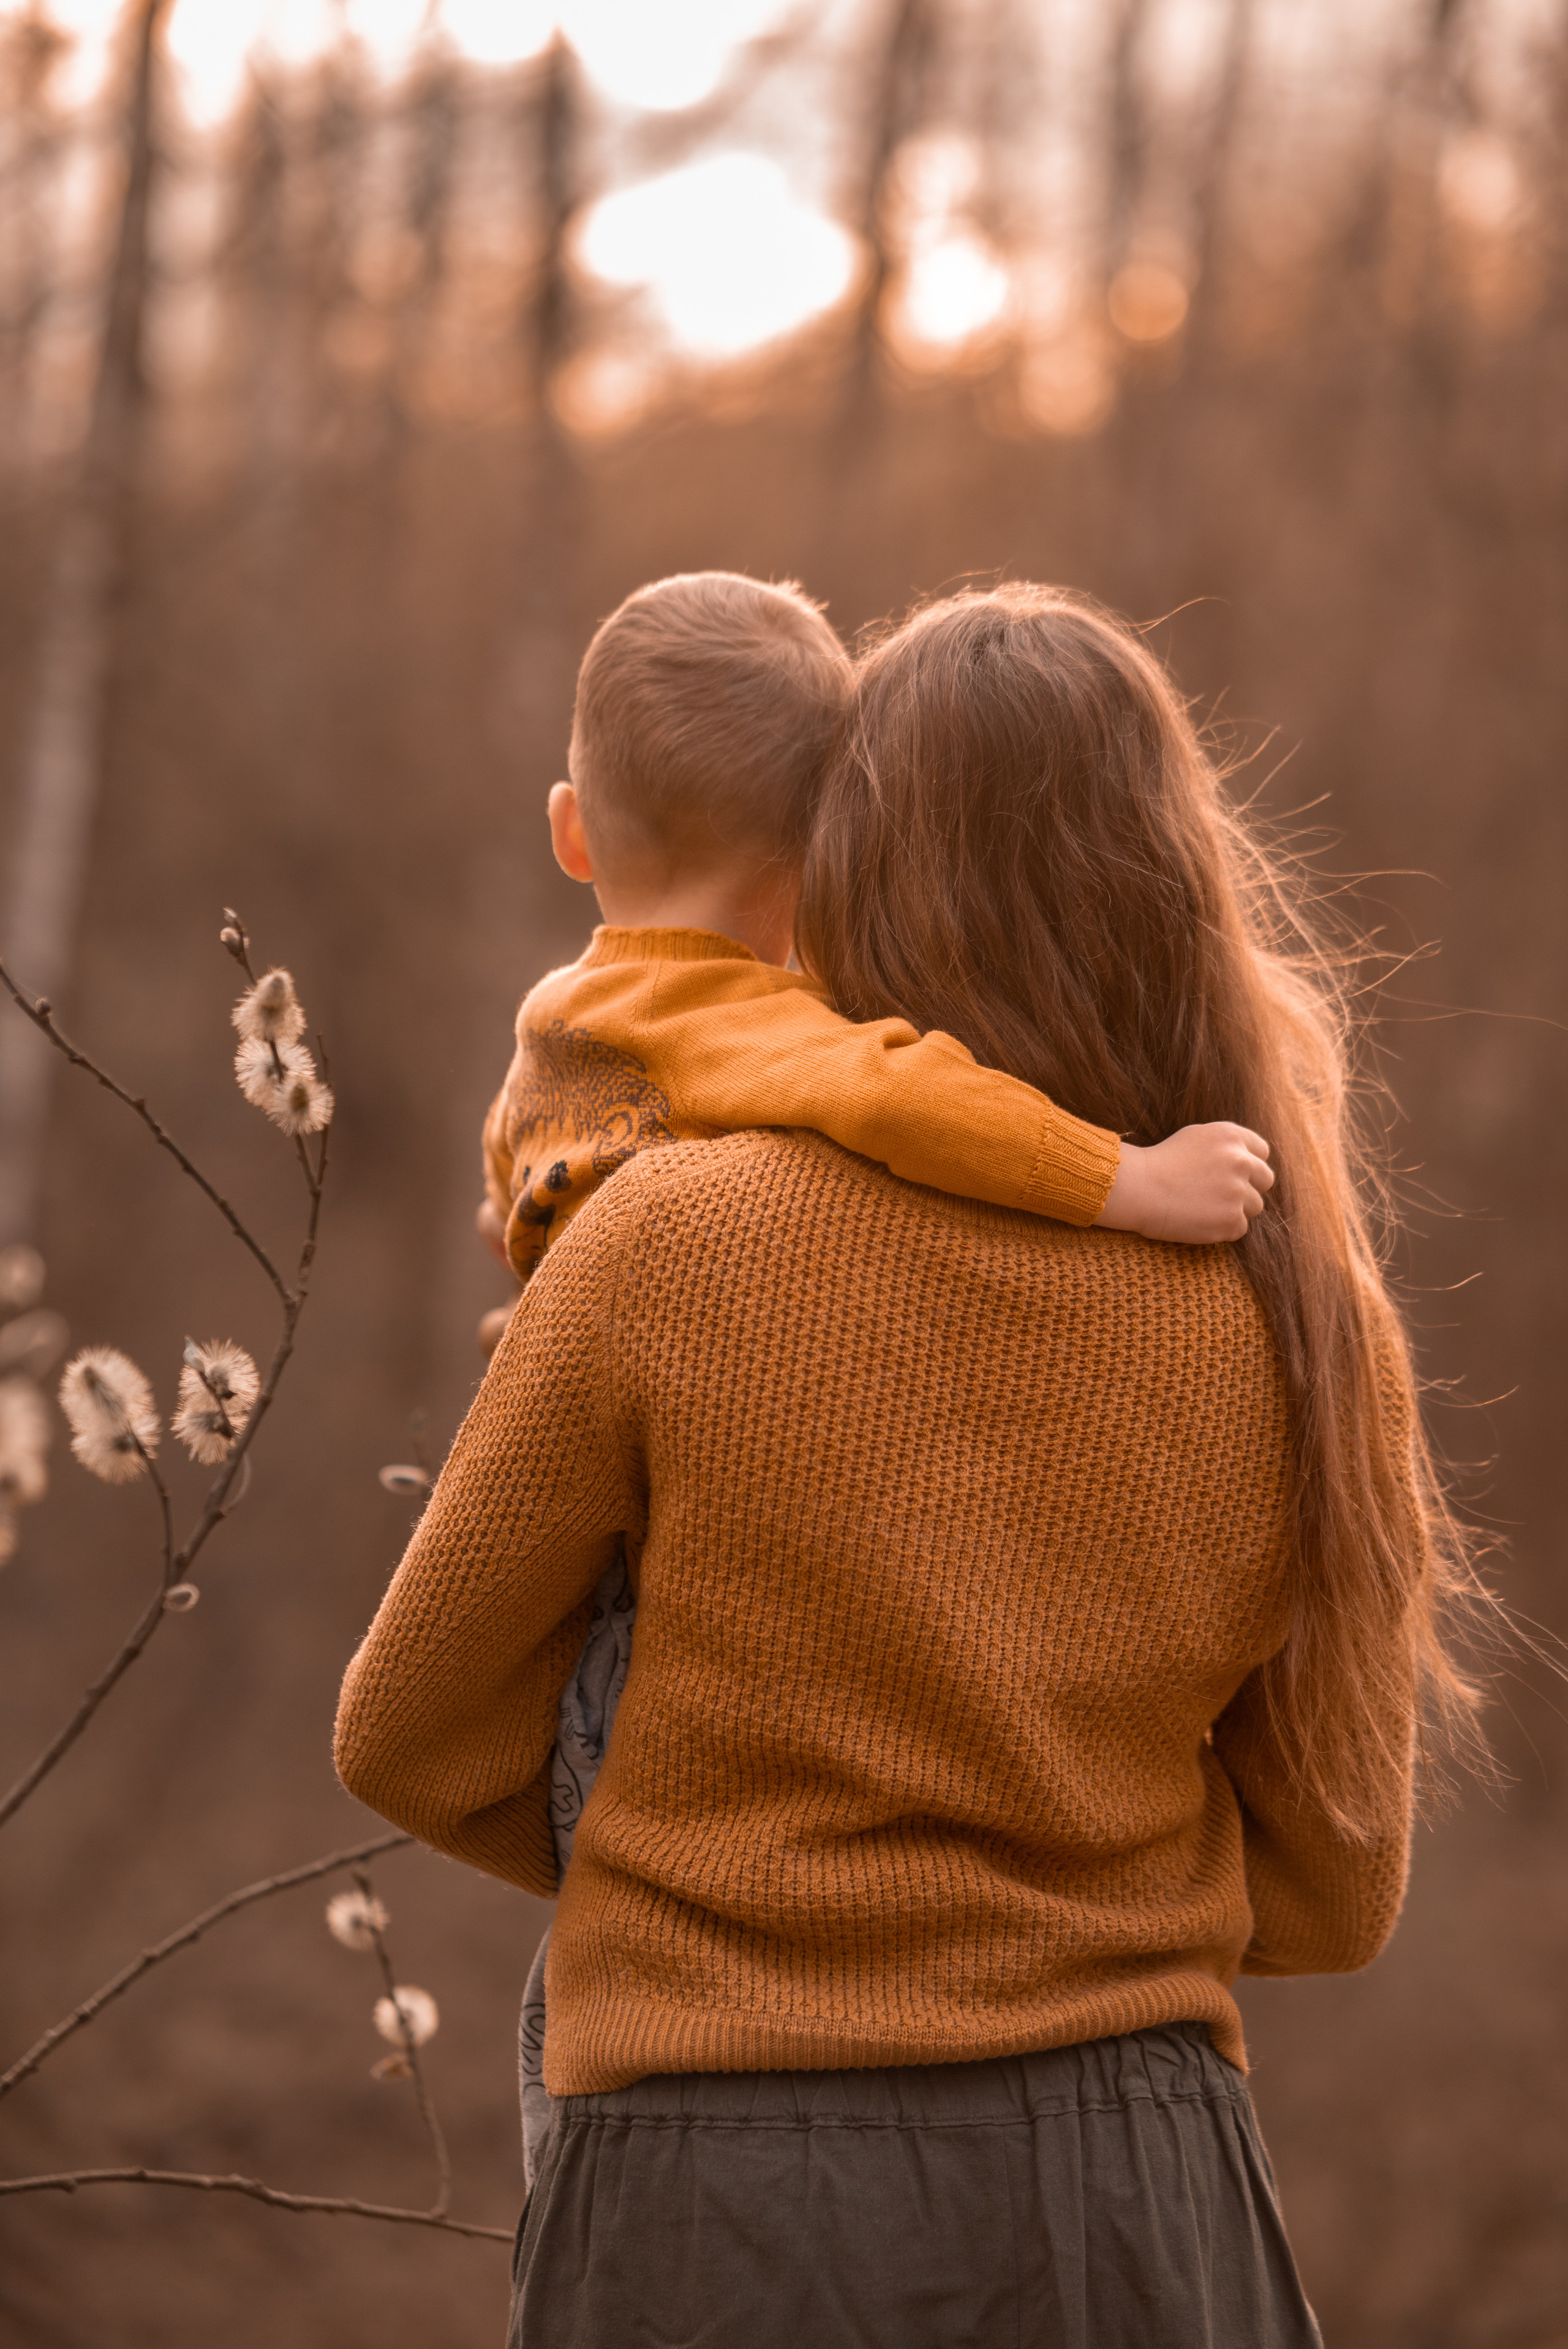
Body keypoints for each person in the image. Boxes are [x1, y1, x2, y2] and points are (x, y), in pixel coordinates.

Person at [336, 584, 1482, 2347]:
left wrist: (724, 1872)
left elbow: (406, 1732)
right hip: (1138, 2205)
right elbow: (1336, 1891)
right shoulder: (1301, 1317)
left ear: (838, 865)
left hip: (709, 2196)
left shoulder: (664, 1242)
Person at [472, 567, 1273, 2178]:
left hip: (690, 2029)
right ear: (830, 845)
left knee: (561, 2044)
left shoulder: (571, 1018)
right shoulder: (771, 1050)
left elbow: (402, 1731)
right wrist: (1132, 1180)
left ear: (575, 831)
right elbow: (919, 1101)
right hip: (1128, 2106)